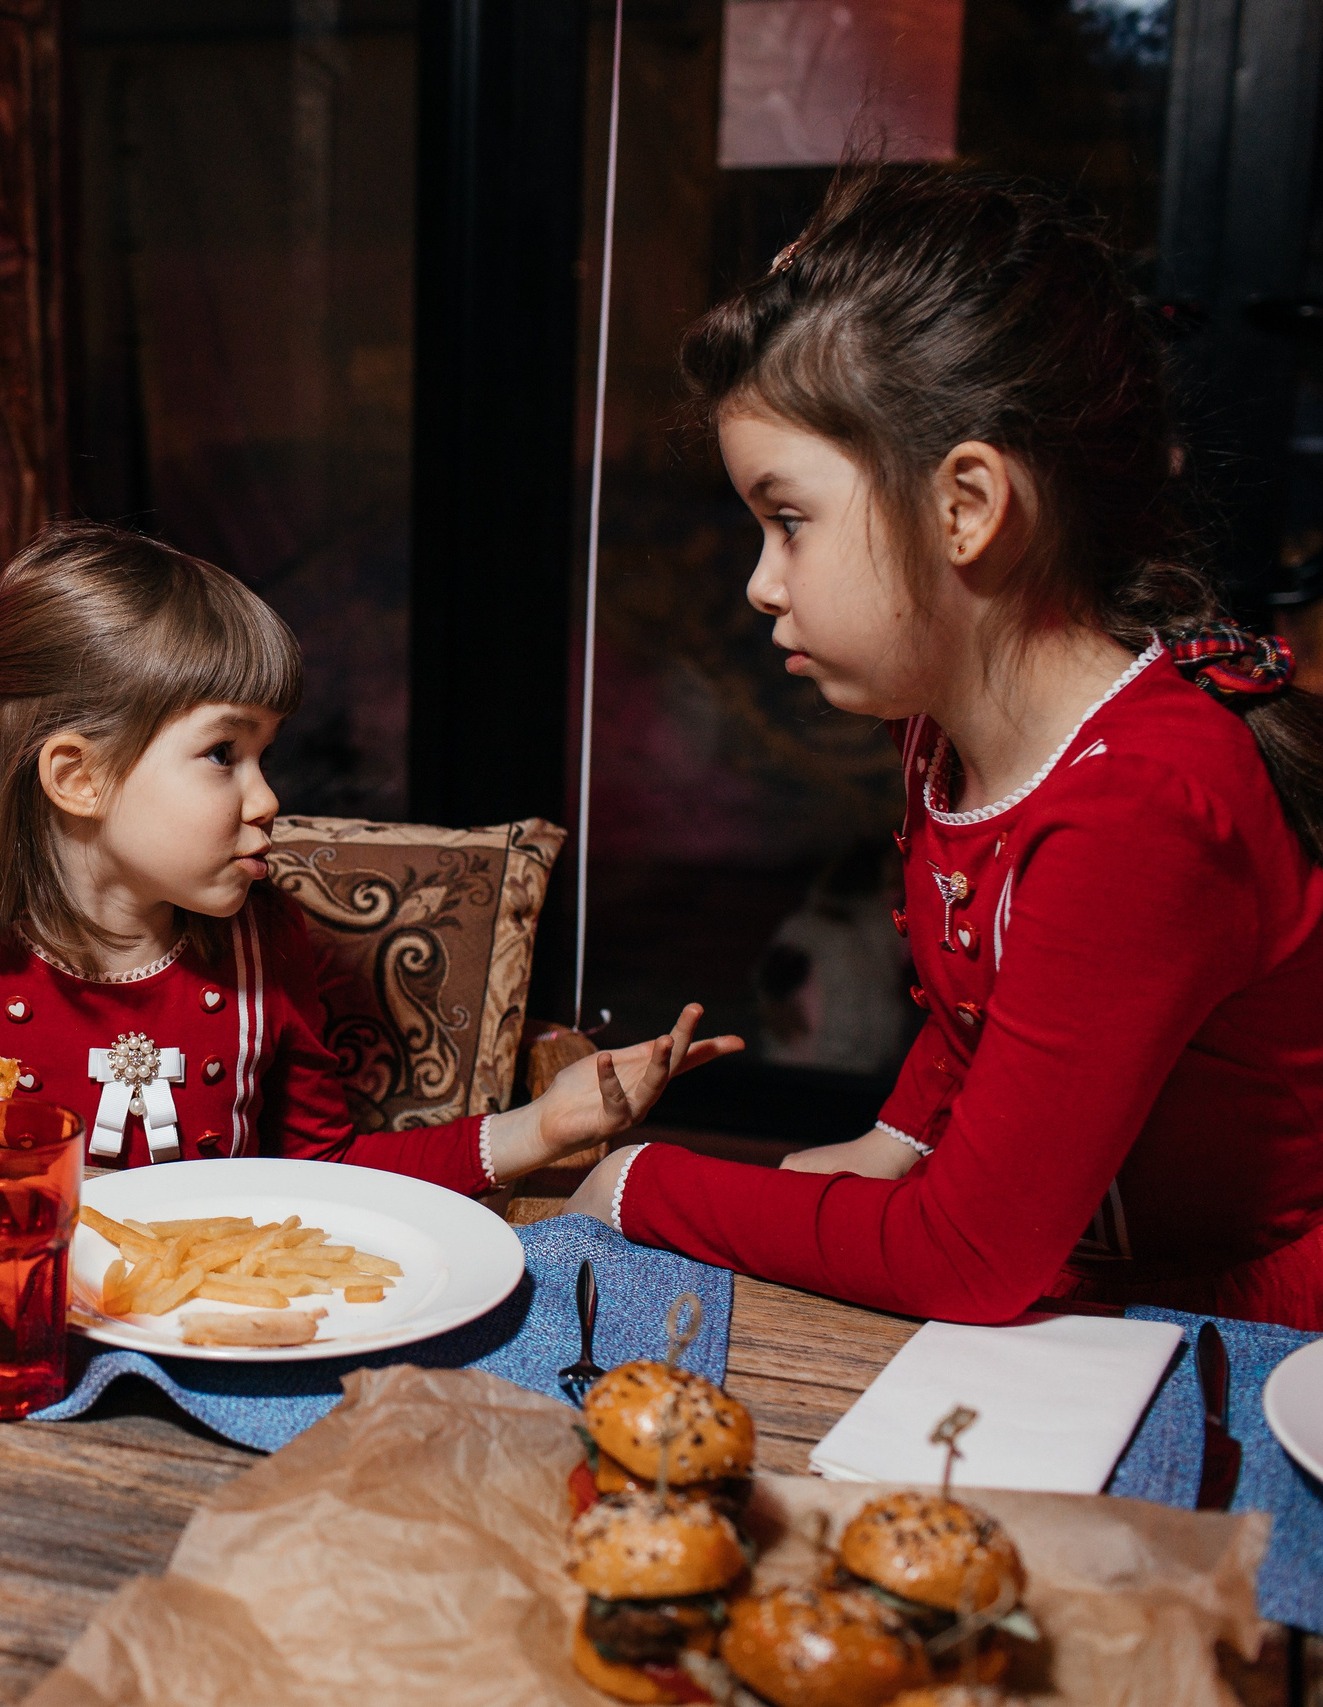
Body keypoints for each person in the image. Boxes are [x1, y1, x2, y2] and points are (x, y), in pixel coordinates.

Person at [566, 170, 1323, 1330]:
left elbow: (966, 1260)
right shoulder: (942, 733)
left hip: (1243, 1327)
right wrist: (896, 1137)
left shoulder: (1140, 808)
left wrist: (642, 1184)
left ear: (966, 505)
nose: (761, 585)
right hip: (1085, 1280)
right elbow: (990, 1002)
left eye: (789, 521)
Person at [0, 522, 737, 1190]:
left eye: (265, 756)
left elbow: (325, 1178)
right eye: (222, 755)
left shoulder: (263, 947)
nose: (268, 800)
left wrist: (542, 1128)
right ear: (77, 778)